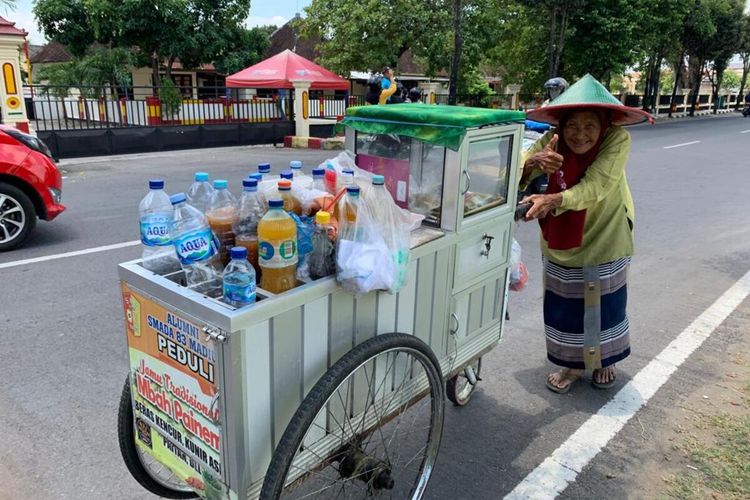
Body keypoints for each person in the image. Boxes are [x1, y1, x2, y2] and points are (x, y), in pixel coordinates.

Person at [519, 74, 653, 394]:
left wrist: (554, 199)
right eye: (572, 126)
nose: (580, 135)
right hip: (560, 234)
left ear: (604, 124)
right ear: (562, 125)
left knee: (605, 302)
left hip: (606, 228)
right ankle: (573, 364)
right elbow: (518, 170)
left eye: (590, 125)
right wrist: (531, 164)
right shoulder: (549, 139)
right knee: (566, 302)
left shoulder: (616, 139)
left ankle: (605, 360)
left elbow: (598, 186)